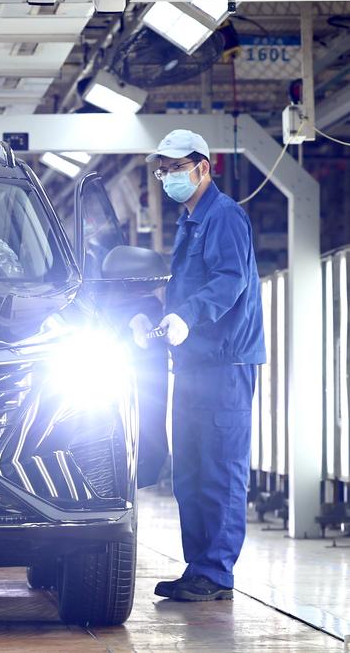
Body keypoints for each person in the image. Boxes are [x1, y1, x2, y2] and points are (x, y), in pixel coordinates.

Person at [130, 129, 266, 602]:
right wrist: (151, 312)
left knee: (220, 469)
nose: (167, 177)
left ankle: (217, 572)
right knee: (189, 469)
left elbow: (231, 282)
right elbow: (184, 288)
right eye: (162, 169)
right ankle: (199, 568)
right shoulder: (191, 222)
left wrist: (187, 316)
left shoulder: (224, 217)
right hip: (191, 362)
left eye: (175, 168)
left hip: (225, 364)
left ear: (203, 167)